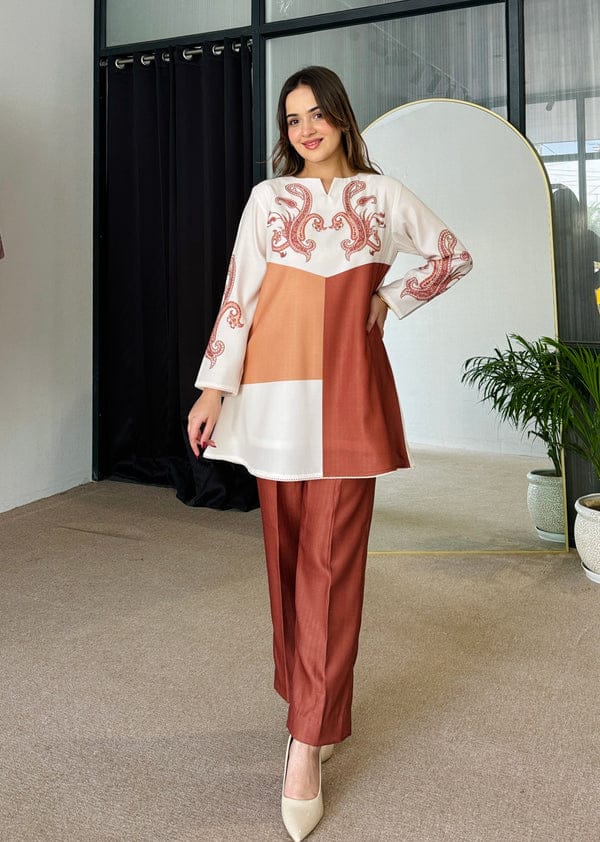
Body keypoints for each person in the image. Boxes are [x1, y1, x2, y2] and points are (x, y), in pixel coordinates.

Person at [187, 66, 472, 841]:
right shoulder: (267, 200)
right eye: (293, 119)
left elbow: (450, 255)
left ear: (342, 118)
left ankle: (306, 744)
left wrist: (391, 298)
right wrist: (213, 389)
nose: (306, 129)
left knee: (332, 569)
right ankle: (309, 708)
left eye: (317, 114)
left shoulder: (381, 197)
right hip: (273, 399)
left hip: (347, 400)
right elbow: (239, 296)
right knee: (287, 567)